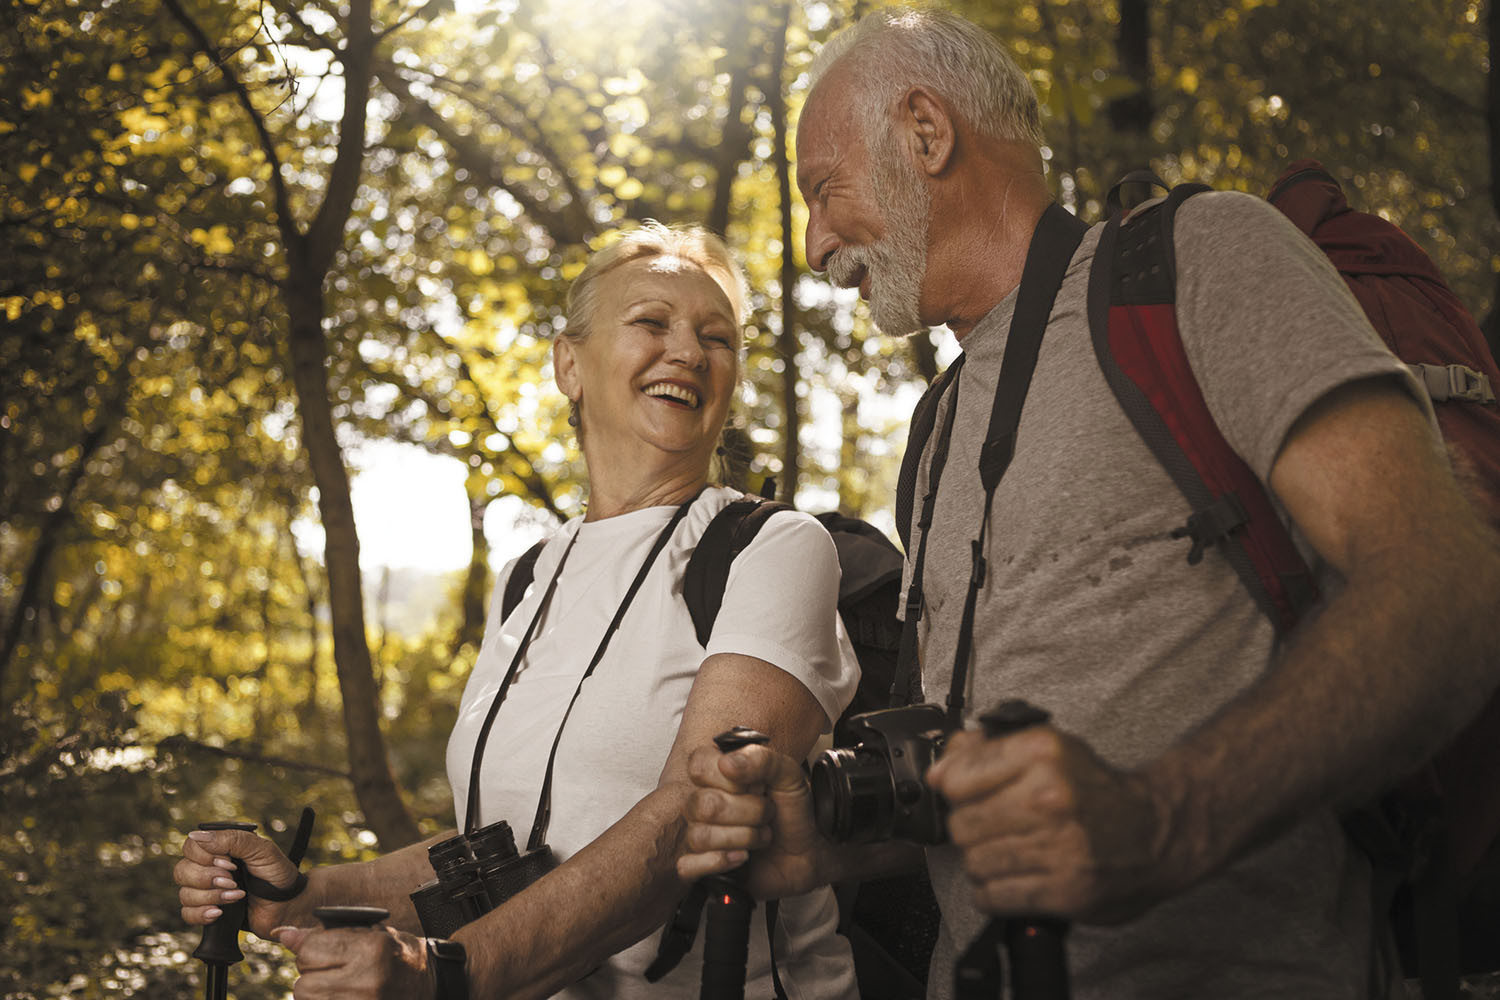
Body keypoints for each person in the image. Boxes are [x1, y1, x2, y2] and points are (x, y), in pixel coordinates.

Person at [678, 9, 1500, 1000]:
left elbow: (1449, 587)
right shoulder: (937, 427)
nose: (814, 243)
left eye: (822, 190)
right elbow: (992, 798)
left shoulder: (1199, 258)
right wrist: (832, 842)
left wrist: (1162, 820)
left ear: (926, 133)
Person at [175, 222, 861, 1000]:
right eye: (650, 323)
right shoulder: (530, 574)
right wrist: (306, 895)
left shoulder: (772, 549)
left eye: (718, 338)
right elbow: (499, 850)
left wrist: (446, 973)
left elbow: (693, 819)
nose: (688, 352)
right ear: (569, 363)